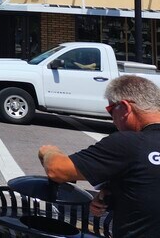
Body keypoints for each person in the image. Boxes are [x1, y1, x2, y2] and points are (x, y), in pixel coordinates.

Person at [38, 75, 160, 238]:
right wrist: (112, 193)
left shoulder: (128, 143)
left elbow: (57, 170)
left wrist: (48, 151)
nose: (112, 120)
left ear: (124, 108)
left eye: (110, 111)